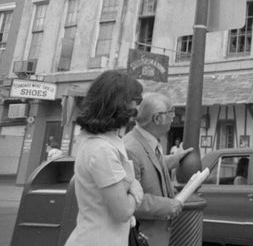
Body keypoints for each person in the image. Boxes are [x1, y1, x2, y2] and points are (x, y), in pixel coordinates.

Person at [65, 70, 145, 246]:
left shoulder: (97, 141)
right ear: (119, 103)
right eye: (136, 101)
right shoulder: (103, 149)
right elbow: (123, 211)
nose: (138, 108)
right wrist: (137, 192)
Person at [124, 92, 193, 246]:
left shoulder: (149, 140)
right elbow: (129, 200)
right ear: (157, 118)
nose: (173, 117)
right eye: (171, 112)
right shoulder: (131, 149)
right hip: (142, 238)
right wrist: (168, 205)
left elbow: (150, 166)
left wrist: (174, 159)